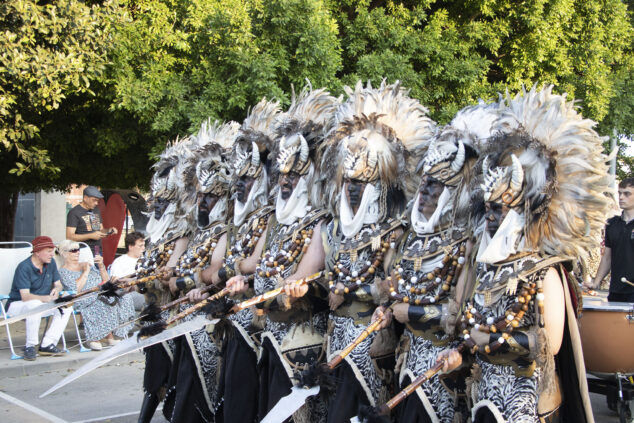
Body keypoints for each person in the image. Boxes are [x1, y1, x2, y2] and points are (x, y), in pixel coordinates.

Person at [438, 86, 608, 423]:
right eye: (486, 207)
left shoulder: (545, 271)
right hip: (484, 400)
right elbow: (473, 329)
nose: (490, 216)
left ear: (521, 211)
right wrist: (461, 354)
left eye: (499, 208)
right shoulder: (485, 267)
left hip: (528, 407)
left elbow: (551, 344)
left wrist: (490, 340)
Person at [58, 240, 134, 351]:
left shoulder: (86, 264)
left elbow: (106, 281)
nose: (77, 253)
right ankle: (95, 338)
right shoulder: (64, 271)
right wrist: (86, 272)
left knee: (124, 297)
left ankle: (110, 334)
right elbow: (75, 290)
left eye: (78, 250)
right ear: (64, 253)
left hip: (100, 293)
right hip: (82, 297)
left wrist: (101, 266)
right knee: (101, 300)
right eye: (73, 250)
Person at [6, 236, 73, 361]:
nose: (52, 254)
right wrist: (46, 298)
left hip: (41, 304)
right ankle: (30, 346)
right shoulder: (24, 267)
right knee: (34, 304)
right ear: (37, 252)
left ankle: (47, 344)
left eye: (52, 250)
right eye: (48, 251)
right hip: (17, 306)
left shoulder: (51, 263)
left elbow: (58, 284)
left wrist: (56, 290)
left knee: (66, 305)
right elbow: (25, 296)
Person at [584, 177, 634, 302]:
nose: (621, 197)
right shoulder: (612, 224)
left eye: (627, 194)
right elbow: (607, 257)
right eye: (620, 193)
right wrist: (596, 282)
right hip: (616, 290)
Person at [66, 185, 118, 252]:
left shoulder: (96, 210)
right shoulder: (74, 212)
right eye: (94, 200)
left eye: (98, 201)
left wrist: (109, 230)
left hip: (97, 250)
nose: (96, 203)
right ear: (85, 198)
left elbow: (100, 229)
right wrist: (90, 236)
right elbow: (69, 236)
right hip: (82, 251)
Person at [109, 231, 146, 310]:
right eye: (140, 246)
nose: (143, 248)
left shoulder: (147, 260)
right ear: (131, 247)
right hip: (129, 294)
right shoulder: (119, 261)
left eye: (144, 245)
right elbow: (117, 283)